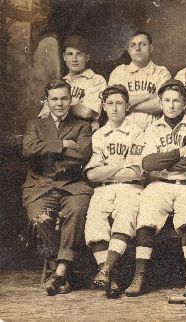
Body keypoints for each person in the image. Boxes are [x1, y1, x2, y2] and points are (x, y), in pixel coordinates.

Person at [124, 79, 186, 297]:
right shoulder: (153, 128)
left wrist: (164, 161)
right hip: (159, 184)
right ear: (160, 103)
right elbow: (148, 164)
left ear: (185, 102)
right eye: (167, 101)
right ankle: (139, 274)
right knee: (146, 217)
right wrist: (179, 153)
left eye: (176, 101)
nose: (171, 105)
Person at [23, 79, 92, 296]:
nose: (59, 103)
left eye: (64, 98)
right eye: (54, 99)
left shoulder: (81, 126)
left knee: (77, 210)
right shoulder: (35, 125)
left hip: (73, 185)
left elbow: (82, 154)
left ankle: (60, 270)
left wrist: (47, 153)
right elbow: (28, 150)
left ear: (71, 100)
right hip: (40, 185)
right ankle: (61, 269)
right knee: (39, 218)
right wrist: (62, 145)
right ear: (47, 101)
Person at [83, 85, 145, 298]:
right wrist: (119, 165)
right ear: (103, 106)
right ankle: (110, 276)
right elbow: (91, 175)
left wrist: (106, 170)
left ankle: (106, 269)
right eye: (110, 103)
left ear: (127, 106)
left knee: (125, 215)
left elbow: (135, 172)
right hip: (103, 189)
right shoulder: (99, 135)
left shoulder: (137, 132)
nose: (115, 108)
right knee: (94, 221)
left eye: (120, 103)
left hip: (130, 187)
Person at [38, 34, 107, 131]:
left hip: (82, 133)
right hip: (57, 133)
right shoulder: (59, 82)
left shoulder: (96, 80)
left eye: (79, 54)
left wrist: (56, 108)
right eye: (70, 54)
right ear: (64, 57)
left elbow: (86, 112)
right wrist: (74, 108)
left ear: (87, 57)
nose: (74, 59)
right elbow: (44, 116)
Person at [108, 31, 172, 131]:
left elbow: (162, 104)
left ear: (151, 48)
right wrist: (148, 95)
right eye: (133, 45)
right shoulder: (119, 72)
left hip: (154, 131)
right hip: (123, 132)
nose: (137, 48)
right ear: (128, 50)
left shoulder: (162, 72)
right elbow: (113, 103)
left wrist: (126, 105)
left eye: (143, 44)